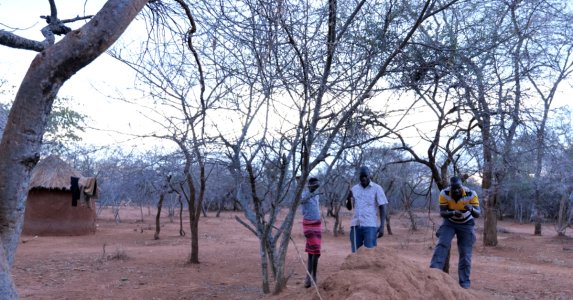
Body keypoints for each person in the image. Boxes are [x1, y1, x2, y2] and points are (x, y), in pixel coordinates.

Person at [430, 176, 481, 289]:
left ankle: (464, 284)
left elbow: (478, 213)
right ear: (450, 187)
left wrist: (471, 209)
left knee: (465, 253)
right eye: (453, 188)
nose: (456, 190)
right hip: (450, 221)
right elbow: (443, 213)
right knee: (442, 244)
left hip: (467, 223)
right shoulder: (444, 193)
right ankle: (433, 274)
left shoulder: (471, 194)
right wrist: (452, 213)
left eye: (458, 188)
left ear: (461, 186)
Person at [345, 166, 387, 253]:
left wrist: (382, 226)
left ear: (369, 175)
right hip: (355, 224)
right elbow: (349, 208)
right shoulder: (354, 189)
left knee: (370, 253)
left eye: (366, 176)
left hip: (370, 225)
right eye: (361, 176)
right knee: (355, 253)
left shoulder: (377, 188)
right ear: (359, 176)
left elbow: (382, 207)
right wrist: (349, 199)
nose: (364, 178)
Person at [300, 177, 321, 288]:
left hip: (317, 225)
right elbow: (300, 201)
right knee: (316, 251)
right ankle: (314, 277)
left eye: (317, 185)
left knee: (311, 252)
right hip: (308, 225)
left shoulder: (317, 194)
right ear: (310, 186)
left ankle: (308, 278)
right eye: (314, 185)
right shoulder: (304, 194)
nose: (316, 187)